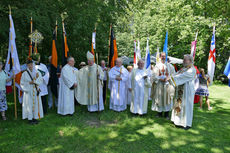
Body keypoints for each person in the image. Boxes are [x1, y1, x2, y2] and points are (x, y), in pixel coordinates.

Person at [168, 54, 196, 130]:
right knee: (179, 104)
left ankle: (186, 123)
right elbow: (176, 74)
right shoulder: (183, 68)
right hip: (180, 90)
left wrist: (171, 79)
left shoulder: (192, 70)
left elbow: (182, 77)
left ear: (190, 61)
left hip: (187, 91)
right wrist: (171, 77)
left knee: (186, 106)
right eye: (183, 59)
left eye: (185, 59)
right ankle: (177, 121)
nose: (183, 61)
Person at [151, 52, 176, 119]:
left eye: (164, 56)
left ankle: (166, 114)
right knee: (159, 98)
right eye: (162, 56)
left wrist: (169, 78)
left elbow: (174, 75)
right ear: (159, 57)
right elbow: (153, 75)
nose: (163, 57)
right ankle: (159, 113)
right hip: (159, 85)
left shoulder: (170, 66)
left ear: (166, 57)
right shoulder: (157, 66)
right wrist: (159, 78)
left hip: (168, 85)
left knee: (167, 99)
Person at [20, 58, 44, 124]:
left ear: (33, 65)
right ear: (27, 65)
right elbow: (22, 83)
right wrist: (29, 83)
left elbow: (40, 80)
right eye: (29, 65)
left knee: (36, 104)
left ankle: (35, 118)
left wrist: (35, 81)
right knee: (29, 105)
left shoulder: (37, 72)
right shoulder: (24, 73)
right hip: (29, 91)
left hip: (35, 91)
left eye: (31, 64)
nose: (30, 66)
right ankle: (30, 119)